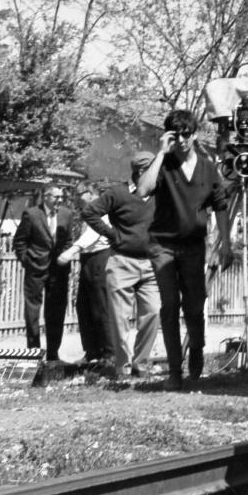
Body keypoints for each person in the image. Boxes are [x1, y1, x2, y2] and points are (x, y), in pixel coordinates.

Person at [136, 110, 228, 391]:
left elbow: (221, 205)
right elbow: (143, 190)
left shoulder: (208, 167)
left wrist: (226, 243)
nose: (183, 141)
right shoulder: (163, 164)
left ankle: (196, 353)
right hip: (162, 245)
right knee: (169, 306)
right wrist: (161, 154)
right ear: (170, 137)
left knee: (194, 306)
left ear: (195, 134)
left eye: (187, 134)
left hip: (193, 246)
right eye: (177, 136)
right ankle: (175, 371)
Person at [82, 152, 161, 379]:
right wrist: (112, 235)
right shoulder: (118, 193)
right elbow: (90, 212)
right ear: (140, 172)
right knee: (119, 318)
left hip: (151, 264)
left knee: (153, 313)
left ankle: (141, 364)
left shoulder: (159, 195)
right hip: (121, 261)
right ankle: (123, 367)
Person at [12, 184, 74, 360]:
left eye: (62, 197)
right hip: (36, 269)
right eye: (56, 197)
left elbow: (69, 240)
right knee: (32, 312)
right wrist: (27, 261)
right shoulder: (32, 214)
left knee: (56, 312)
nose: (60, 200)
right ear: (46, 196)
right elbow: (19, 242)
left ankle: (53, 354)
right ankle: (34, 352)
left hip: (59, 272)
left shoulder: (67, 214)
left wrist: (64, 257)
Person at [57, 182, 114, 365]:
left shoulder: (102, 210)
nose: (76, 199)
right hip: (87, 260)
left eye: (79, 194)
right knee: (84, 306)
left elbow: (92, 235)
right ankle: (92, 352)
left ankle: (109, 353)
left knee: (101, 307)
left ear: (90, 194)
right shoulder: (85, 213)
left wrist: (71, 250)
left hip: (100, 258)